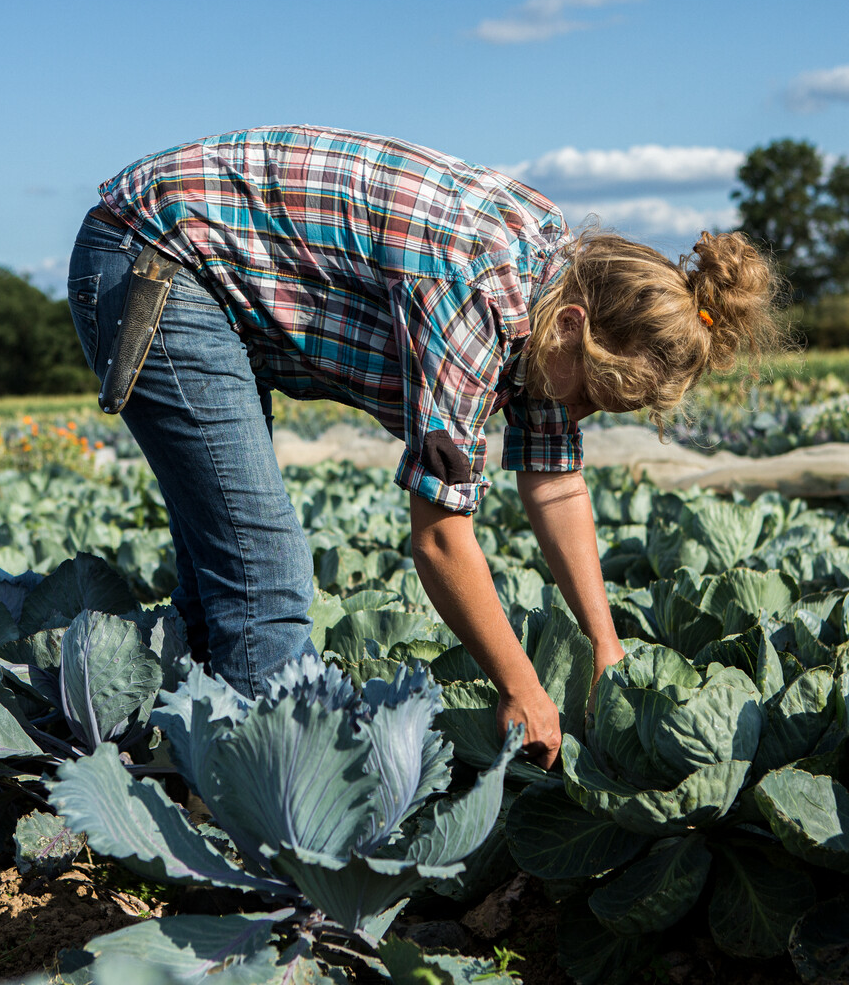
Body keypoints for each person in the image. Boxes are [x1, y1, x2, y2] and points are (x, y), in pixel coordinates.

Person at [67, 125, 782, 769]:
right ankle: (267, 833)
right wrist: (520, 686)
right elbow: (439, 539)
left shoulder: (563, 295)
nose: (580, 414)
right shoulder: (477, 293)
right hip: (153, 255)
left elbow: (556, 483)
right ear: (570, 325)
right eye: (590, 396)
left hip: (196, 272)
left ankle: (203, 769)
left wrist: (606, 644)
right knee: (266, 571)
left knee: (224, 577)